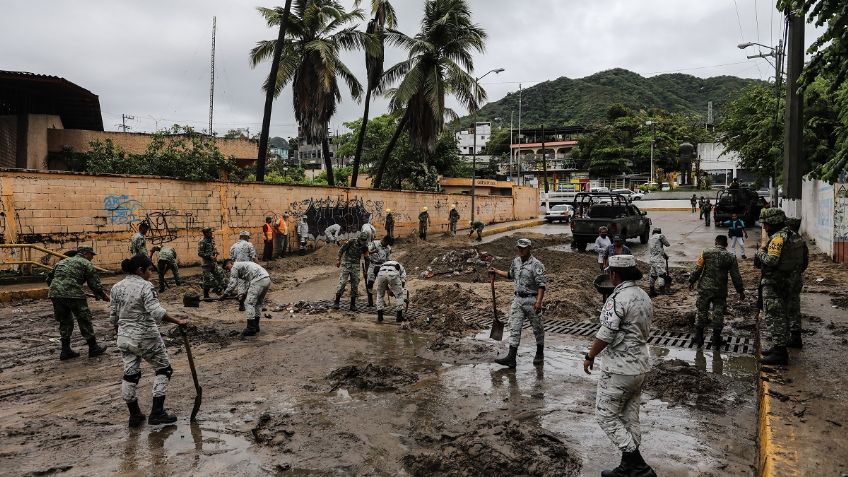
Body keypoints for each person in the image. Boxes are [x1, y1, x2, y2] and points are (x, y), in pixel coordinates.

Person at [583, 255, 656, 477]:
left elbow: (606, 333)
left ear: (615, 274)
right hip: (640, 366)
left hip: (619, 368)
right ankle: (627, 468)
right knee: (629, 414)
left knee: (605, 415)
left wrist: (590, 355)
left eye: (610, 273)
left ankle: (639, 466)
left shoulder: (617, 298)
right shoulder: (643, 295)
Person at [110, 254, 188, 427]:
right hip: (145, 336)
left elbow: (113, 316)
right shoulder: (146, 286)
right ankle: (157, 413)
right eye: (150, 270)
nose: (151, 274)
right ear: (140, 270)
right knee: (164, 369)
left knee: (130, 374)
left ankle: (135, 415)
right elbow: (157, 312)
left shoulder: (116, 287)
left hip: (124, 337)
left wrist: (120, 333)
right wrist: (178, 321)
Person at [755, 208, 805, 365]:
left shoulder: (777, 239)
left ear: (773, 222)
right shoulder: (794, 235)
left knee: (775, 314)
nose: (764, 227)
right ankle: (785, 343)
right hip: (793, 279)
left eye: (766, 224)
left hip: (776, 282)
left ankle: (779, 352)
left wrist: (759, 253)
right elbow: (804, 260)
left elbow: (771, 261)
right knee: (790, 309)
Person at [489, 239, 547, 368]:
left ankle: (539, 353)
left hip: (532, 300)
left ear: (529, 248)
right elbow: (511, 275)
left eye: (523, 248)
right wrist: (497, 272)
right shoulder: (515, 261)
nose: (521, 250)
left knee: (537, 328)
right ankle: (511, 358)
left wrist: (539, 302)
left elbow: (541, 285)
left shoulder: (536, 265)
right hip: (518, 300)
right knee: (514, 328)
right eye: (519, 248)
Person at [47, 246, 110, 360]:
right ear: (86, 254)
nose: (92, 258)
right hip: (73, 293)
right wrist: (102, 295)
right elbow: (94, 284)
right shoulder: (86, 263)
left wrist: (59, 290)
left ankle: (65, 351)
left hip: (55, 293)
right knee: (84, 319)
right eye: (91, 255)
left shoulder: (63, 261)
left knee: (64, 321)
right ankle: (93, 347)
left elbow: (49, 278)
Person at [688, 235, 745, 348]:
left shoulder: (705, 252)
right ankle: (716, 339)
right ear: (726, 245)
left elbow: (698, 268)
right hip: (720, 289)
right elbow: (735, 275)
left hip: (705, 288)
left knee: (702, 310)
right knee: (718, 313)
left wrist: (691, 281)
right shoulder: (730, 256)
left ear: (715, 242)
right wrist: (740, 290)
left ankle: (699, 337)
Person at [222, 260, 271, 337]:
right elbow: (249, 283)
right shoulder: (244, 266)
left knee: (249, 303)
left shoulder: (235, 267)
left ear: (231, 263)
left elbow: (232, 283)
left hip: (258, 280)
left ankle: (251, 328)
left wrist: (225, 295)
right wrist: (244, 294)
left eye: (227, 268)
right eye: (226, 270)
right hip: (266, 279)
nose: (228, 270)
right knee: (257, 303)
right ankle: (256, 326)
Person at [786, 217, 808, 349]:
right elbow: (805, 262)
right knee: (795, 307)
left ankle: (788, 336)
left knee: (784, 307)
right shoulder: (801, 241)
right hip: (796, 277)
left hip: (786, 278)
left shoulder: (786, 240)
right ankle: (795, 336)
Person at [334, 231, 370, 311]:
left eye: (364, 240)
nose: (362, 241)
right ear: (359, 238)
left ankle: (352, 305)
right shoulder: (351, 241)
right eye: (362, 239)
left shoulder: (365, 246)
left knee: (355, 284)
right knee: (343, 282)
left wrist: (366, 271)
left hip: (356, 266)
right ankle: (336, 302)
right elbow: (341, 250)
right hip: (346, 264)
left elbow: (367, 258)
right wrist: (338, 260)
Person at [229, 231, 258, 312]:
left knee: (241, 285)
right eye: (248, 238)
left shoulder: (233, 246)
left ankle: (241, 304)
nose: (248, 239)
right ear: (245, 237)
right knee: (250, 285)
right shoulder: (249, 245)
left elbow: (232, 259)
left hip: (238, 269)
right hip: (248, 269)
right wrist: (258, 267)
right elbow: (254, 257)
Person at [198, 227, 226, 299]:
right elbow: (200, 253)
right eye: (210, 232)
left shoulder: (211, 240)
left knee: (220, 275)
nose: (211, 233)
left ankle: (225, 292)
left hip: (213, 263)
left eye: (211, 232)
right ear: (206, 233)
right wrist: (209, 257)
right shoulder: (202, 241)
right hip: (206, 264)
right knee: (207, 280)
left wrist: (216, 252)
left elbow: (214, 248)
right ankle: (206, 296)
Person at [366, 236, 392, 307]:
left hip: (382, 266)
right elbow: (367, 252)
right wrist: (373, 251)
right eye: (385, 243)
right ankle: (370, 300)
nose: (386, 245)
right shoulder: (374, 243)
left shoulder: (388, 248)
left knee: (383, 283)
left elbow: (388, 259)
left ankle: (381, 301)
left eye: (387, 244)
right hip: (373, 264)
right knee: (370, 282)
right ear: (383, 240)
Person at [647, 228, 671, 297]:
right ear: (659, 232)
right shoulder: (660, 236)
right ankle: (662, 292)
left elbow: (658, 249)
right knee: (662, 275)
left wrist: (665, 255)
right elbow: (667, 244)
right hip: (658, 261)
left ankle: (652, 290)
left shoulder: (651, 239)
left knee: (653, 275)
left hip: (652, 260)